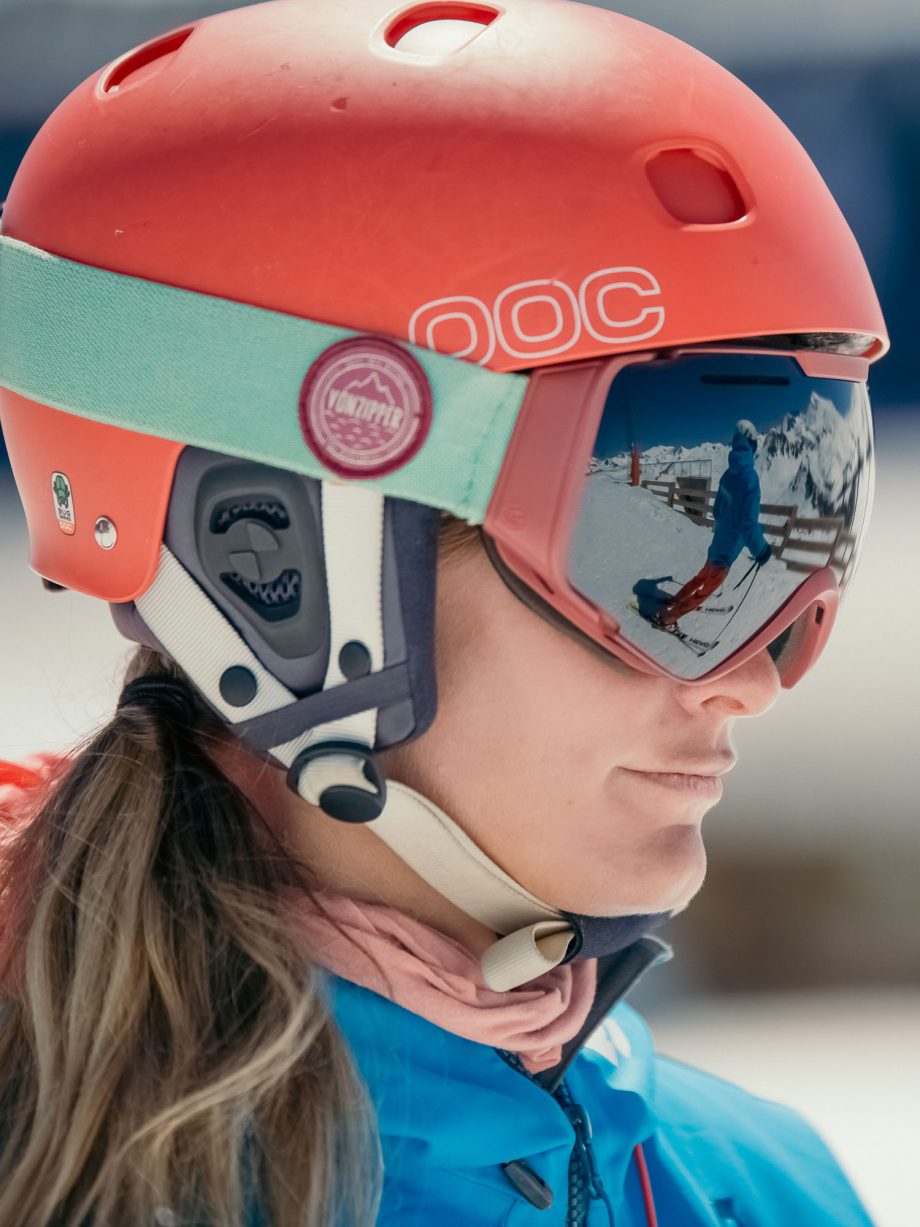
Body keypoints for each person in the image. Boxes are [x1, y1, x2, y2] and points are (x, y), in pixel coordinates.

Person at [0, 1, 888, 1224]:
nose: (753, 672)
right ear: (274, 567)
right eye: (666, 534)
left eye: (808, 507)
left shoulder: (760, 1188)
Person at [653, 421, 773, 630]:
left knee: (700, 577)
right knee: (706, 590)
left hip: (717, 544)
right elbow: (748, 523)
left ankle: (675, 600)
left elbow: (717, 509)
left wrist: (723, 527)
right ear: (753, 446)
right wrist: (761, 549)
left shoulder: (728, 475)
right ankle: (670, 617)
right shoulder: (750, 479)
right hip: (727, 553)